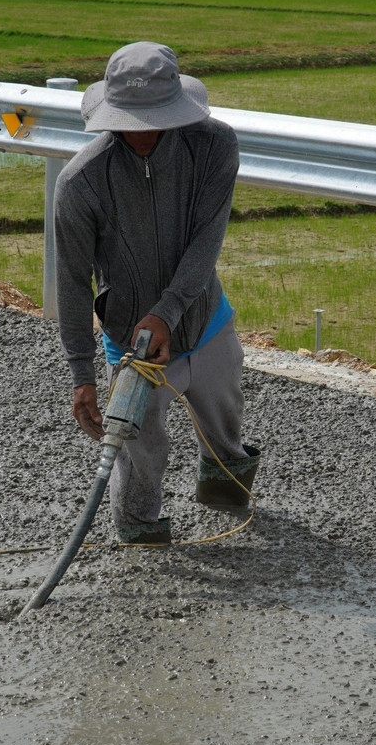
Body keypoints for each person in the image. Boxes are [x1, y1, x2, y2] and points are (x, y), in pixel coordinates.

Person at [53, 41, 259, 545]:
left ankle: (225, 499)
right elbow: (73, 282)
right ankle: (139, 530)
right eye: (129, 121)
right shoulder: (81, 184)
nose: (141, 134)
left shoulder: (213, 147)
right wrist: (82, 374)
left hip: (204, 320)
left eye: (154, 120)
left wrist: (167, 312)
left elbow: (206, 239)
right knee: (138, 448)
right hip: (131, 342)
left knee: (224, 424)